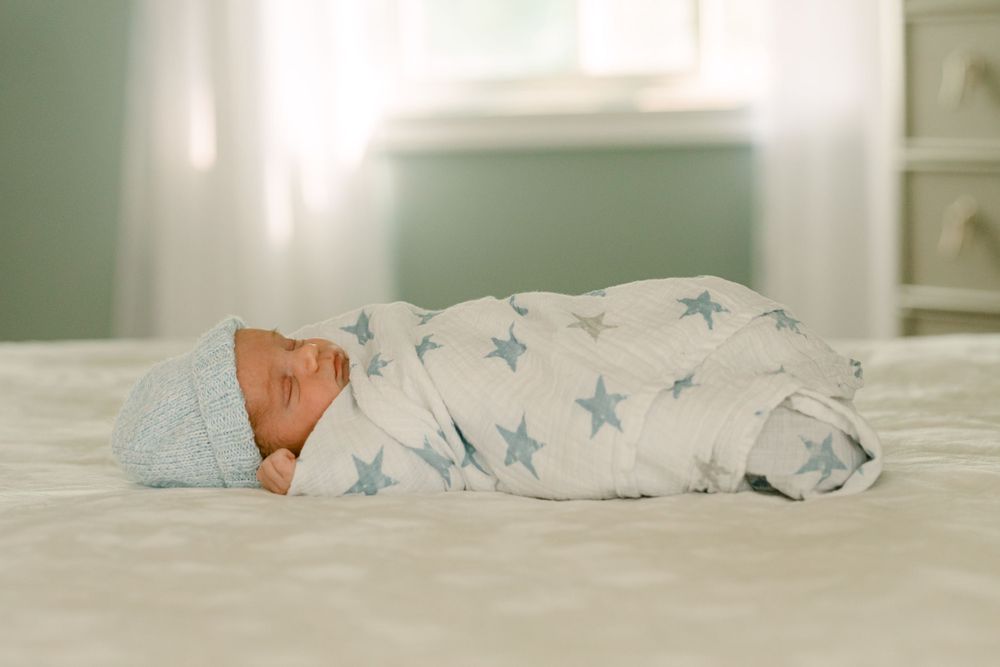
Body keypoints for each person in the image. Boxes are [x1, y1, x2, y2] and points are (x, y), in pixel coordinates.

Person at [112, 277, 882, 500]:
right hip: (522, 409)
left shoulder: (357, 349)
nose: (312, 356)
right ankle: (763, 428)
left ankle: (752, 352)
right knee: (617, 418)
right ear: (267, 456)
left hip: (525, 342)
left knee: (636, 324)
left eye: (288, 341)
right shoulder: (344, 444)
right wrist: (307, 480)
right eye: (288, 386)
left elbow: (418, 330)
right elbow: (405, 464)